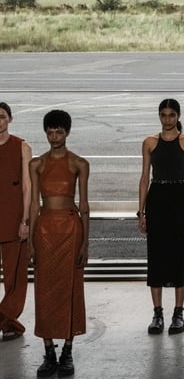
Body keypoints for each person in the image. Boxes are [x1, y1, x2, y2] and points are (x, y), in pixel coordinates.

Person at [28, 109, 90, 378]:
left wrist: (86, 243)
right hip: (44, 229)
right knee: (44, 291)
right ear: (46, 133)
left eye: (59, 131)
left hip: (70, 229)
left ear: (67, 132)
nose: (54, 136)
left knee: (70, 289)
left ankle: (67, 350)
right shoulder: (37, 164)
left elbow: (85, 206)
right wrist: (30, 241)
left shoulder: (79, 163)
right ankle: (49, 351)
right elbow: (32, 205)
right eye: (50, 131)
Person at [137, 98, 184, 336]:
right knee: (156, 256)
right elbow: (144, 177)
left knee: (179, 256)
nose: (167, 119)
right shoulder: (150, 142)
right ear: (159, 116)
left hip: (178, 197)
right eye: (163, 115)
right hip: (157, 197)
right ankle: (157, 312)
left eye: (171, 115)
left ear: (178, 116)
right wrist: (141, 211)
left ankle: (179, 312)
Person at [0, 102, 31, 342]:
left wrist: (25, 220)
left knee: (15, 276)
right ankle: (9, 322)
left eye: (1, 117)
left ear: (10, 119)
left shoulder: (22, 146)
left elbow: (28, 187)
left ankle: (7, 319)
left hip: (13, 218)